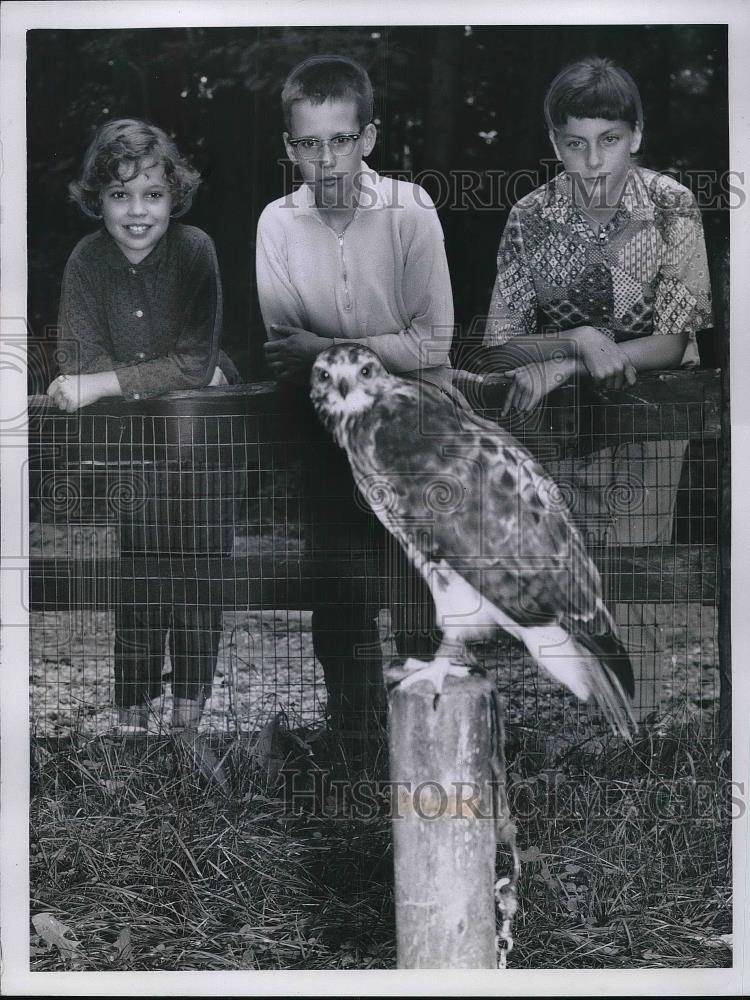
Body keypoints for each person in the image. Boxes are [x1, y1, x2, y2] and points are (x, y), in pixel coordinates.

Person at [481, 57, 713, 718]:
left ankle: (641, 737)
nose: (593, 161)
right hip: (562, 428)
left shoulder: (670, 205)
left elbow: (674, 339)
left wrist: (577, 359)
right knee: (578, 576)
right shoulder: (532, 216)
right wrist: (578, 340)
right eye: (575, 143)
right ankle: (596, 729)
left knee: (637, 573)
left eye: (609, 140)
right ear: (555, 142)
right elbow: (500, 344)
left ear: (635, 134)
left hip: (650, 420)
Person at [256, 55, 455, 746]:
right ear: (290, 148)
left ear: (367, 137)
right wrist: (352, 350)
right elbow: (287, 353)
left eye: (341, 139)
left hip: (416, 430)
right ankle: (356, 747)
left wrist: (325, 347)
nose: (327, 158)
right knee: (338, 595)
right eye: (309, 143)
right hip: (331, 436)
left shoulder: (410, 210)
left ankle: (425, 746)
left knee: (416, 595)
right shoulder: (276, 226)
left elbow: (433, 345)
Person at [47, 118, 242, 735]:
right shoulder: (86, 261)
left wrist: (112, 383)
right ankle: (133, 715)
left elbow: (195, 361)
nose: (137, 212)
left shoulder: (195, 250)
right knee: (141, 566)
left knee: (200, 566)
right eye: (120, 194)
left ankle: (188, 715)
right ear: (96, 199)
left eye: (152, 195)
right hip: (137, 445)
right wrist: (161, 378)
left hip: (204, 438)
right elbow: (77, 360)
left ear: (173, 196)